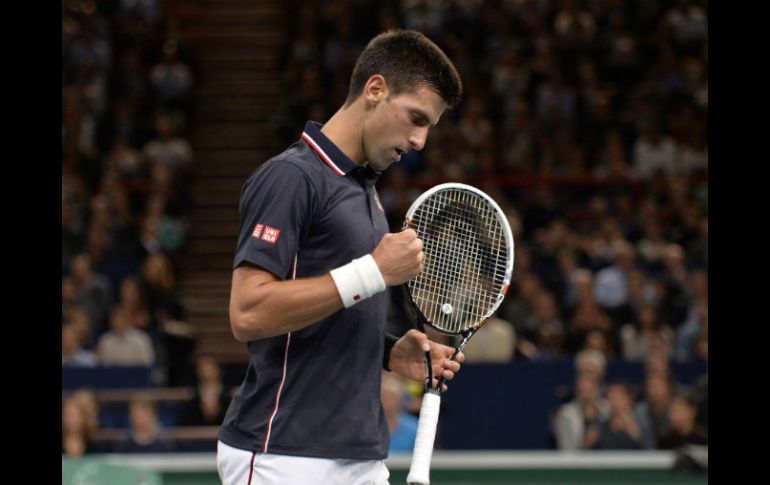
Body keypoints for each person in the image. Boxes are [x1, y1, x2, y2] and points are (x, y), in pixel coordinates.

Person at [217, 29, 464, 485]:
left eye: (428, 126)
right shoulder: (291, 177)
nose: (419, 141)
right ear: (375, 90)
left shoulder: (362, 190)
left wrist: (389, 353)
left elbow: (328, 310)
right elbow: (248, 313)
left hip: (361, 455)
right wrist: (372, 271)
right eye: (415, 118)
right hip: (283, 455)